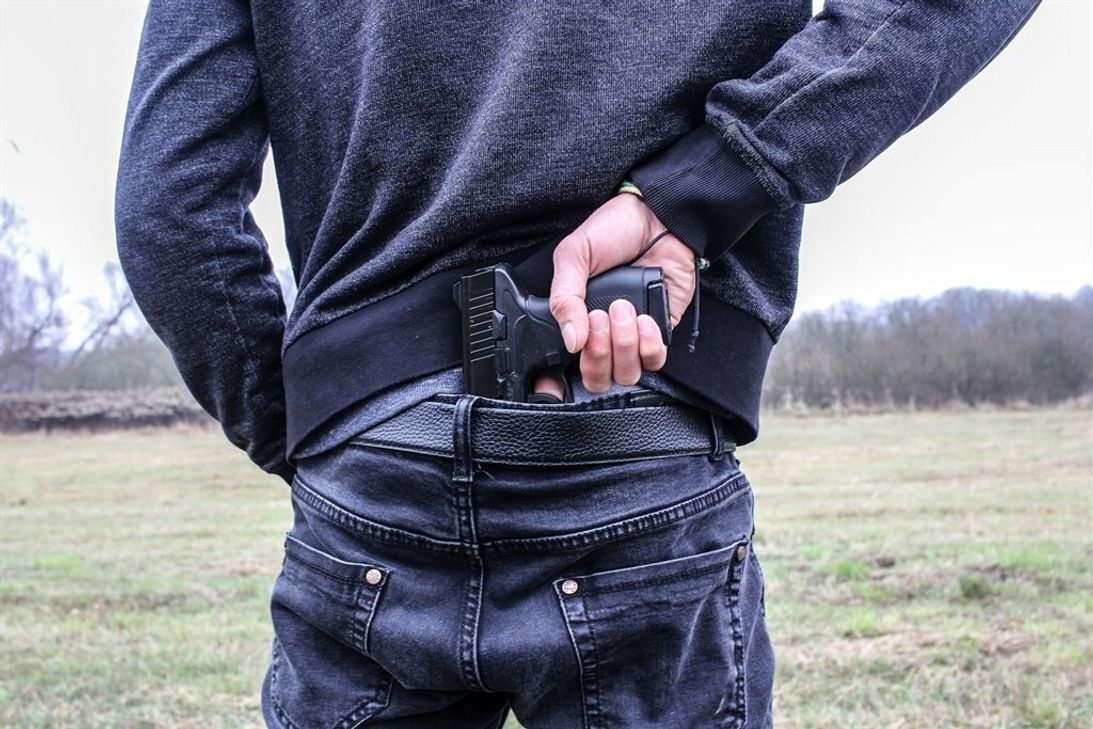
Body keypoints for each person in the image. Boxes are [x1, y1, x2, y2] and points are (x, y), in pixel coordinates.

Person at [115, 1, 1040, 726]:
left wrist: (321, 417)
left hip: (370, 468)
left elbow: (168, 208)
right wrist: (708, 182)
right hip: (638, 425)